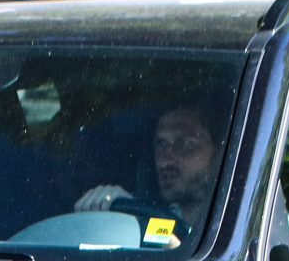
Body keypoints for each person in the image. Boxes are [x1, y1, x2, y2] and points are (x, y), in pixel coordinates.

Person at [74, 96, 228, 236]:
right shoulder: (164, 219)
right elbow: (167, 237)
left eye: (185, 144)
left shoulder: (234, 229)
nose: (164, 161)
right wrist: (129, 213)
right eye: (161, 144)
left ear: (220, 156)